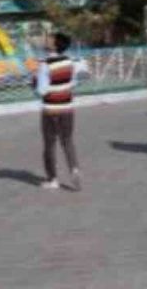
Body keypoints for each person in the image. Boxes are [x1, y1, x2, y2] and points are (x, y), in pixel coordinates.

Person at [34, 32, 89, 190]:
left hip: (50, 109)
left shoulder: (45, 65)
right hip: (67, 107)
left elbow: (42, 91)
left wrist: (34, 83)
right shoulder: (69, 62)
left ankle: (53, 179)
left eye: (50, 39)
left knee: (49, 144)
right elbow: (73, 83)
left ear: (55, 44)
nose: (47, 40)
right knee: (67, 141)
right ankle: (74, 169)